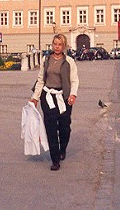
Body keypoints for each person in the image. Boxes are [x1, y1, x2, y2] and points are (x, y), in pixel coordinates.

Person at [30, 34, 79, 171]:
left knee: (64, 127)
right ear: (52, 45)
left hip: (64, 97)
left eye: (59, 44)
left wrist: (73, 95)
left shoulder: (69, 61)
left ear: (64, 46)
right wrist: (35, 97)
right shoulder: (46, 60)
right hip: (48, 96)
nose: (57, 47)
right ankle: (55, 159)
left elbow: (74, 80)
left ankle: (62, 148)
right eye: (55, 44)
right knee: (50, 128)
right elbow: (40, 80)